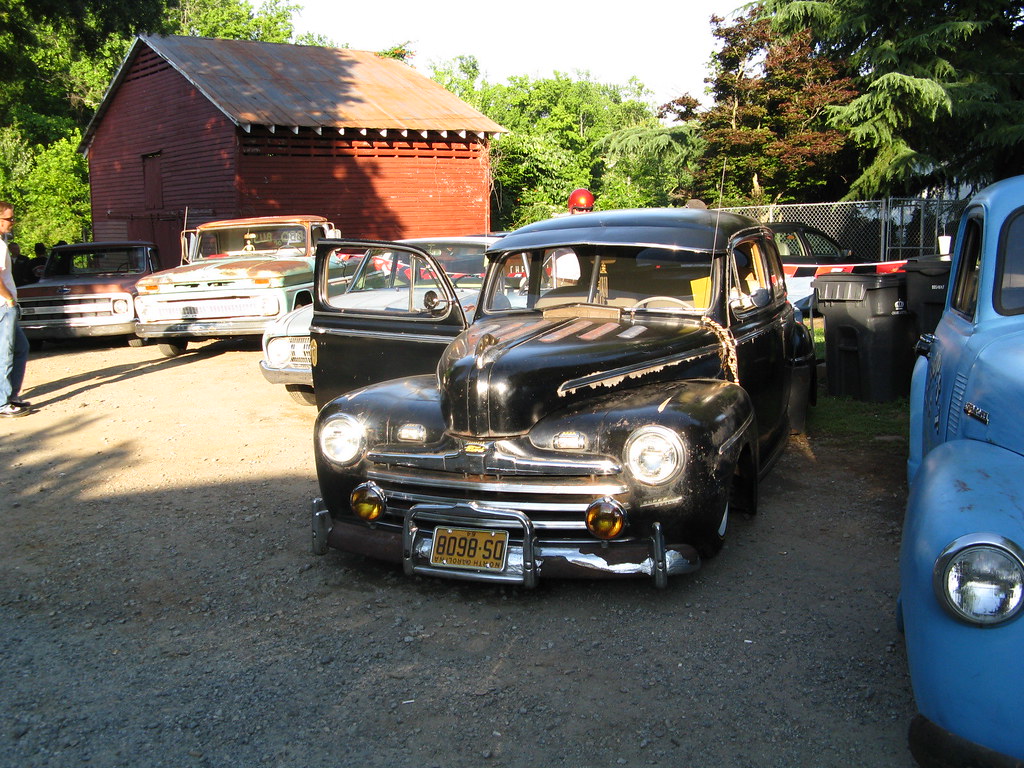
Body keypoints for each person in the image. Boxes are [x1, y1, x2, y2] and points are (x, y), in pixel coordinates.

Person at [0, 201, 31, 417]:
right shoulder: (0, 246)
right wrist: (9, 298)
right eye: (9, 219)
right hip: (3, 306)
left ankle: (11, 395)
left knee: (21, 348)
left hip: (6, 306)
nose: (13, 222)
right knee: (6, 353)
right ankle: (2, 403)